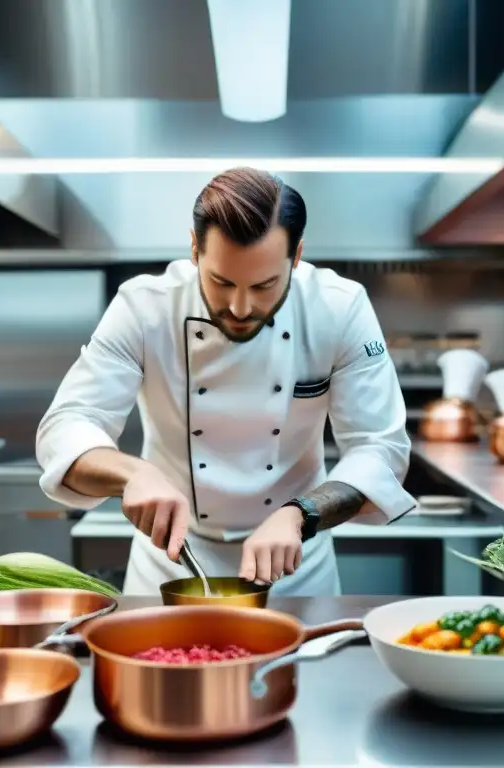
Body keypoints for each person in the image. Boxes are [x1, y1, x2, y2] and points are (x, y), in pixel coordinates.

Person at [36, 167, 415, 595]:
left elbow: (380, 448)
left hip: (295, 568)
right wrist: (132, 473)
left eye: (265, 284)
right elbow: (67, 425)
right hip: (171, 565)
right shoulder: (144, 307)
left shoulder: (339, 309)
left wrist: (302, 514)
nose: (239, 307)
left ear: (297, 256)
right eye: (221, 281)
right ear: (195, 249)